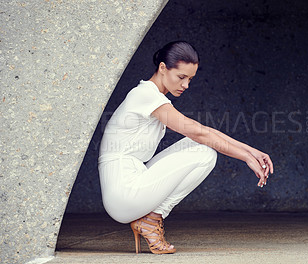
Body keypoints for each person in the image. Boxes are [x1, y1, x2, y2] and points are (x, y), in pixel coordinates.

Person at [98, 41, 274, 254]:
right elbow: (200, 133)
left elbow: (203, 132)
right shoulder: (145, 95)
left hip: (134, 177)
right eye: (181, 77)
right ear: (163, 68)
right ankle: (153, 219)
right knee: (204, 151)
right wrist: (245, 158)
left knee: (199, 144)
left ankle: (149, 220)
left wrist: (251, 151)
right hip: (123, 192)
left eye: (190, 79)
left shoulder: (154, 97)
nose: (186, 85)